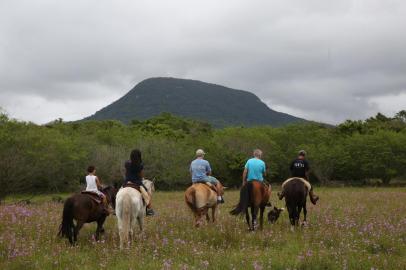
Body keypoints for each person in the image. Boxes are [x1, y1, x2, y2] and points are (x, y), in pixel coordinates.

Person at [124, 149, 155, 216]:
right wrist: (141, 179)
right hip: (137, 183)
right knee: (147, 194)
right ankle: (149, 209)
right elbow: (140, 176)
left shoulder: (127, 163)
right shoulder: (140, 165)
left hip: (127, 182)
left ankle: (115, 208)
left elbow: (126, 173)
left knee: (118, 192)